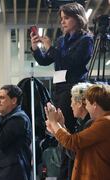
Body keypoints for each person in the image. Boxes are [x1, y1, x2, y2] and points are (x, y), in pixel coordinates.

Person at [30, 2, 93, 133]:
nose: (63, 22)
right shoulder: (61, 40)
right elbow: (44, 61)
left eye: (67, 18)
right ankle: (63, 152)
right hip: (59, 87)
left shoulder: (86, 40)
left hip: (74, 88)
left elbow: (71, 63)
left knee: (68, 127)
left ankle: (70, 152)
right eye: (62, 19)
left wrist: (50, 48)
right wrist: (35, 48)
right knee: (59, 126)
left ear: (78, 18)